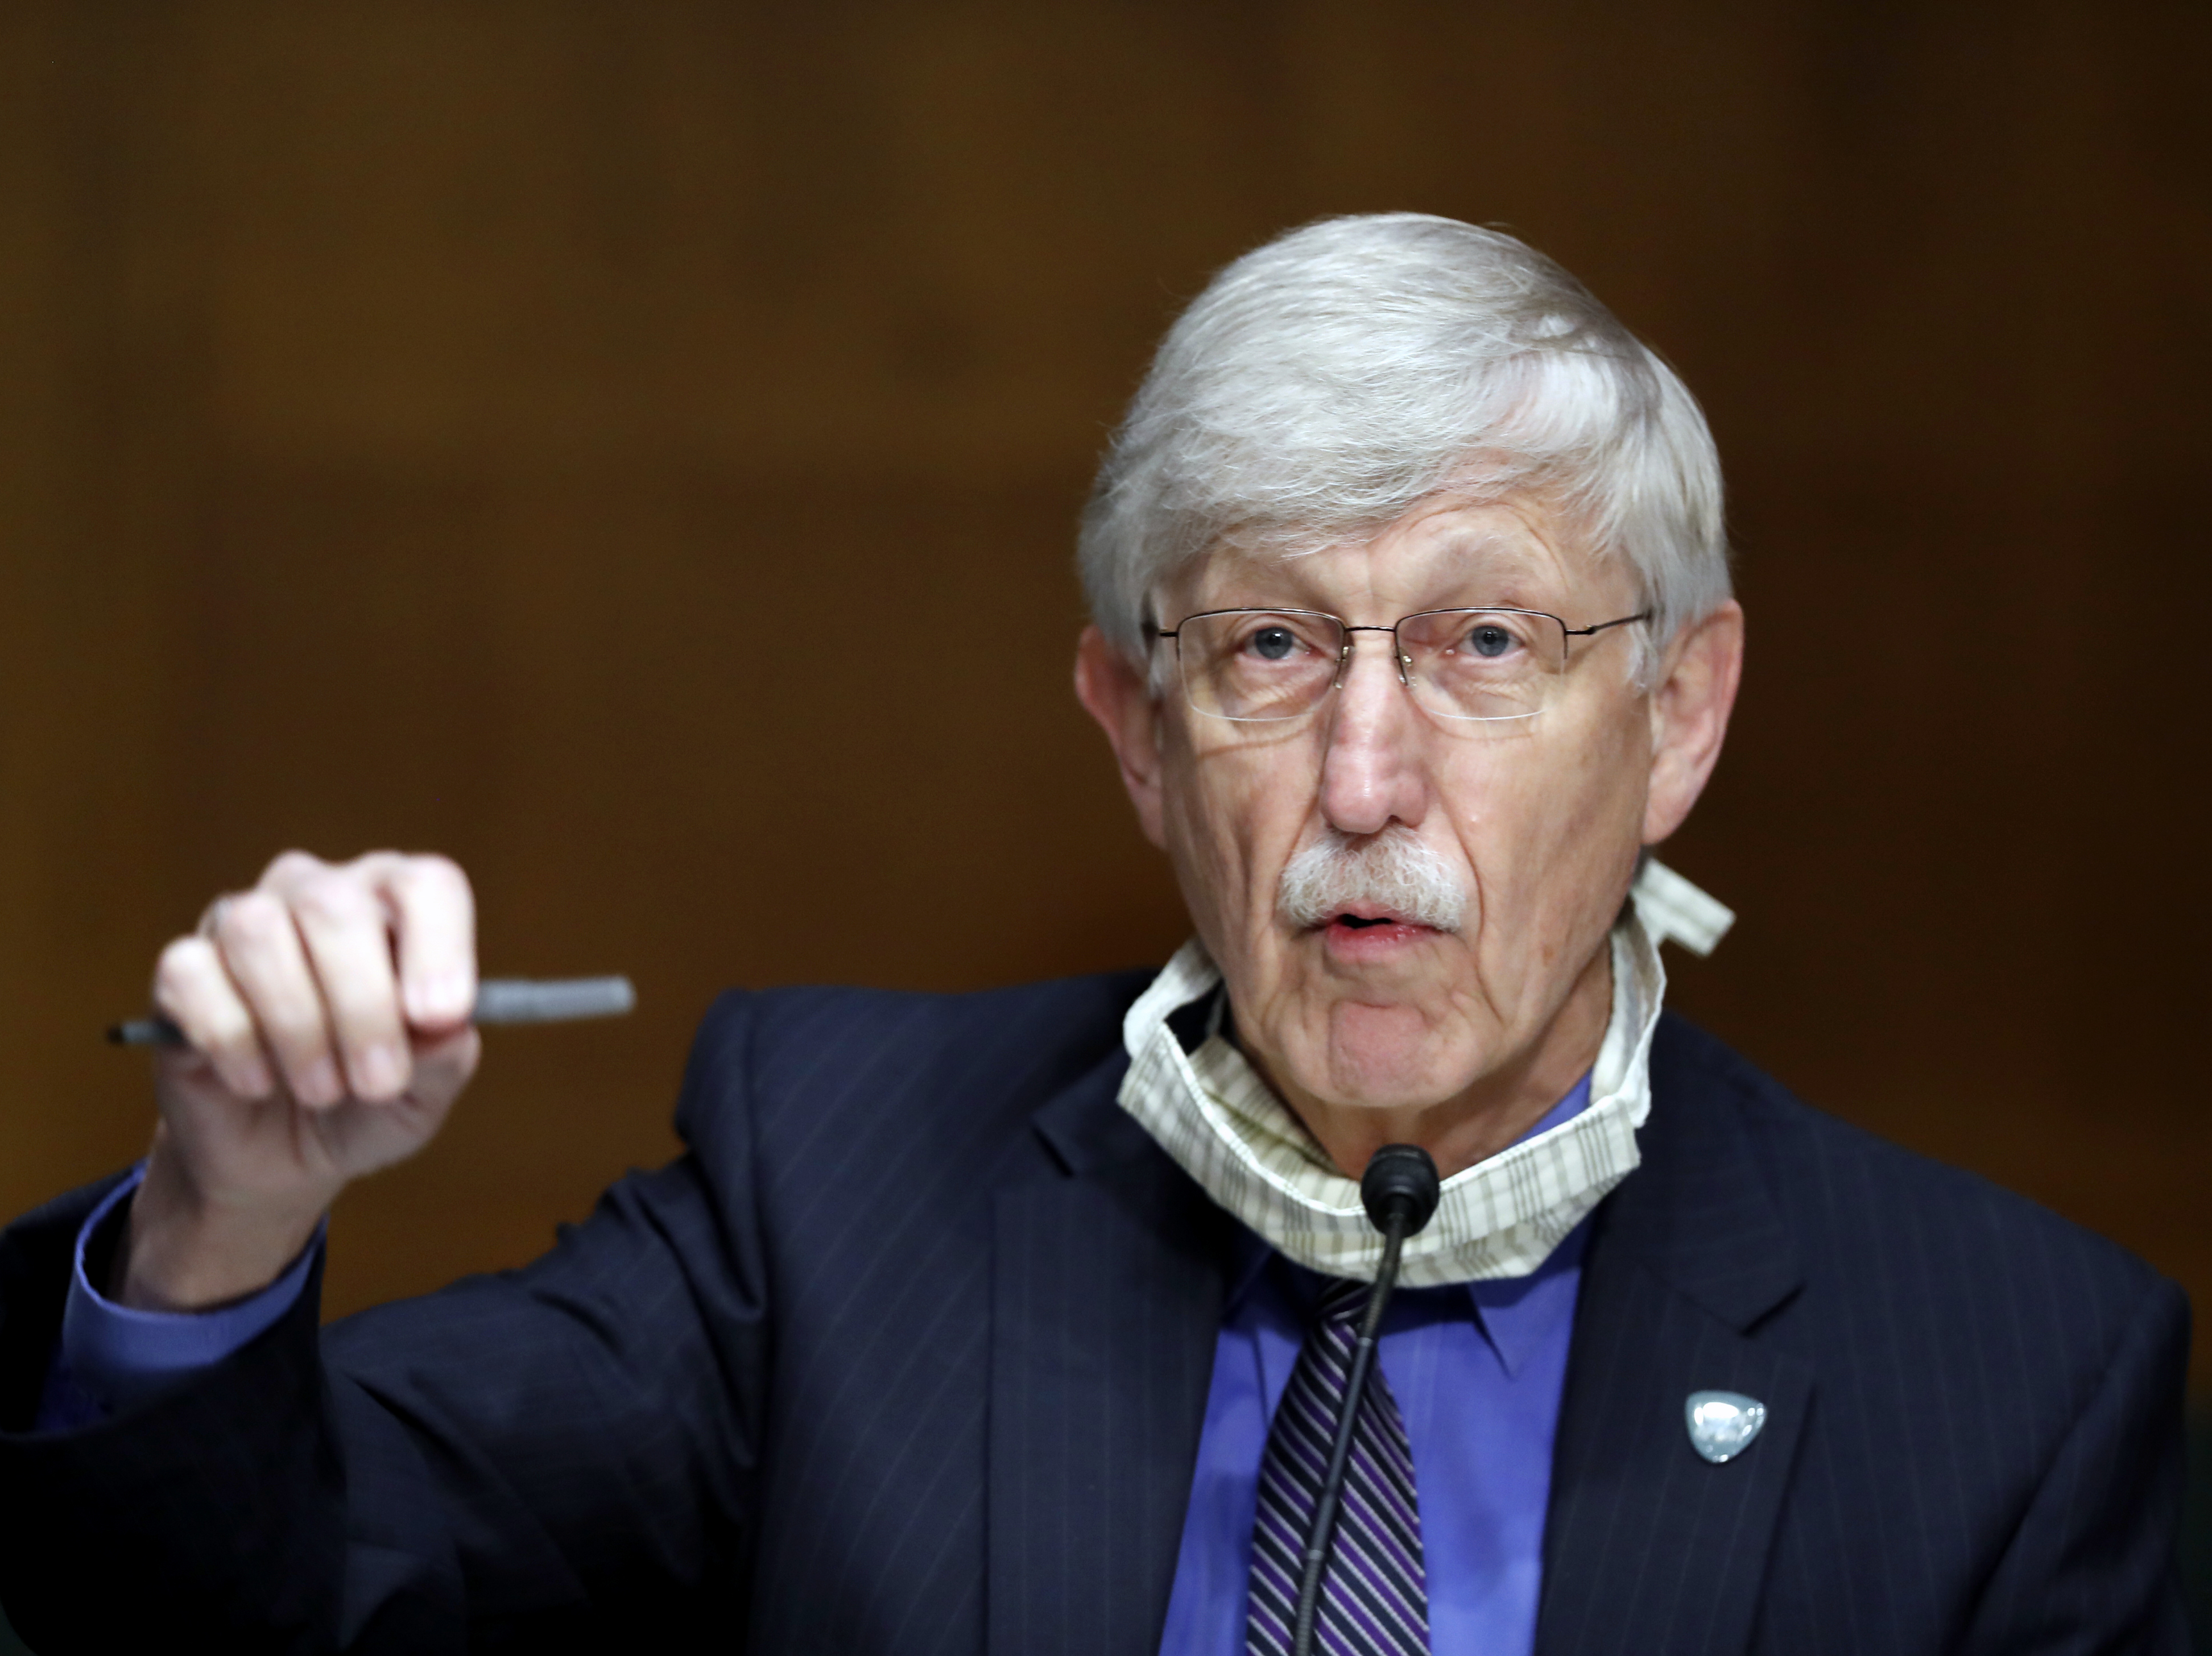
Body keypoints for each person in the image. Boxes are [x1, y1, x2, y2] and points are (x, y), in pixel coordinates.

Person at [0, 214, 2188, 1655]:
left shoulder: (2010, 1381)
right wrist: (224, 1211)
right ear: (1139, 737)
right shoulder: (836, 1185)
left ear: (1676, 712)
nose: (1361, 779)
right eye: (1262, 650)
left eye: (1483, 642)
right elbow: (241, 1610)